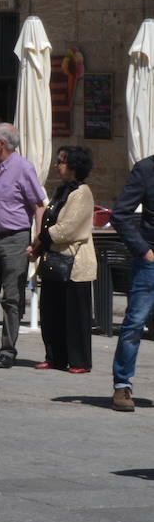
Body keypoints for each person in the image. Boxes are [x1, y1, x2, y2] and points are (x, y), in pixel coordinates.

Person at [0, 122, 46, 369]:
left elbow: (38, 206)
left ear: (1, 144)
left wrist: (38, 239)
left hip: (15, 239)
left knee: (12, 297)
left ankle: (7, 350)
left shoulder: (23, 168)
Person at [33, 146, 95, 375]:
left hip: (75, 262)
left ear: (74, 166)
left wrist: (41, 240)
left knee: (75, 314)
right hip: (54, 259)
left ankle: (79, 360)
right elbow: (50, 221)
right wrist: (38, 243)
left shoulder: (82, 192)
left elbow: (68, 229)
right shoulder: (61, 191)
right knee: (51, 311)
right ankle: (55, 357)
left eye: (61, 161)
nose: (57, 166)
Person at [110, 150, 154, 411]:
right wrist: (144, 251)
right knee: (134, 323)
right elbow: (120, 214)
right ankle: (122, 386)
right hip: (149, 260)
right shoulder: (146, 169)